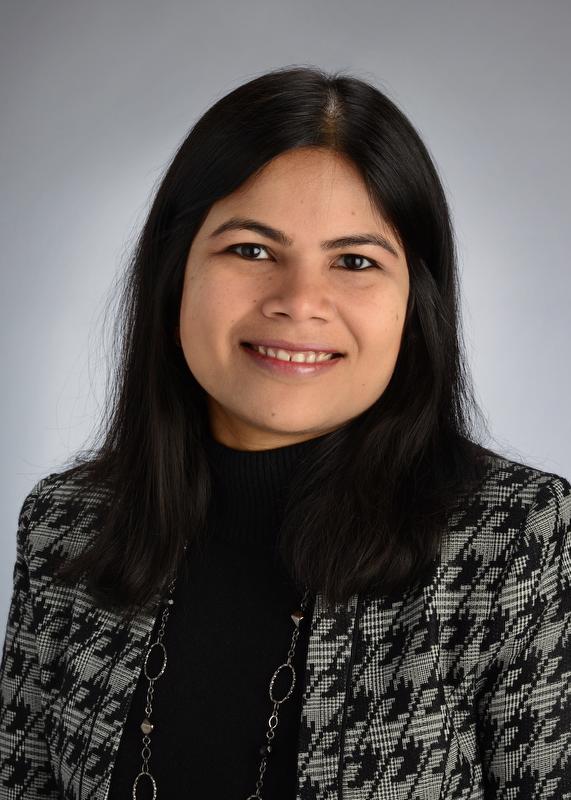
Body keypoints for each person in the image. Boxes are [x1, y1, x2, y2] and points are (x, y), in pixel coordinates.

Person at [1, 65, 569, 800]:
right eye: (251, 250)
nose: (300, 303)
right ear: (175, 272)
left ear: (414, 303)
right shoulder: (65, 527)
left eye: (355, 261)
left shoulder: (515, 538)